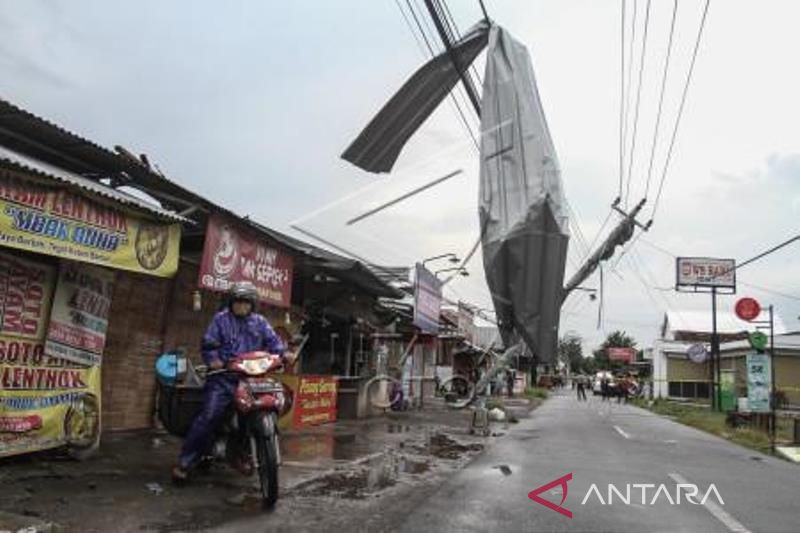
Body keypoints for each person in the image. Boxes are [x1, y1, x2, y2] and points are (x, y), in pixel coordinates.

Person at [172, 281, 289, 481]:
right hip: (224, 380)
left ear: (252, 304)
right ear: (231, 302)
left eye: (245, 302)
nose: (241, 306)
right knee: (209, 416)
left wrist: (284, 355)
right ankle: (186, 462)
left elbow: (275, 345)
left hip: (253, 380)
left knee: (259, 412)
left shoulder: (260, 322)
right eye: (238, 302)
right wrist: (215, 360)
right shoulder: (221, 320)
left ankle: (240, 453)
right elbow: (209, 345)